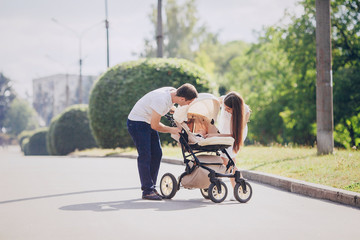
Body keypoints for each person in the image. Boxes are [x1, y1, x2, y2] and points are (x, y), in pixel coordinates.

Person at [127, 83, 198, 200]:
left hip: (147, 121)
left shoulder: (173, 92)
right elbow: (155, 125)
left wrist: (174, 111)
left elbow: (166, 107)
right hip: (137, 123)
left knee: (157, 153)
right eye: (188, 102)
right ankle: (147, 190)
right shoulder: (161, 99)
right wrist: (173, 130)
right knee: (145, 155)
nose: (188, 105)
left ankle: (151, 187)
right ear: (182, 98)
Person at [205, 92, 250, 193]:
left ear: (236, 109)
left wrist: (214, 136)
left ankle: (238, 187)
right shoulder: (226, 99)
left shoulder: (242, 109)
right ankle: (237, 187)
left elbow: (232, 135)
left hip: (235, 133)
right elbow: (216, 101)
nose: (225, 110)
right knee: (227, 160)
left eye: (228, 109)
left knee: (227, 160)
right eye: (224, 107)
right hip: (224, 130)